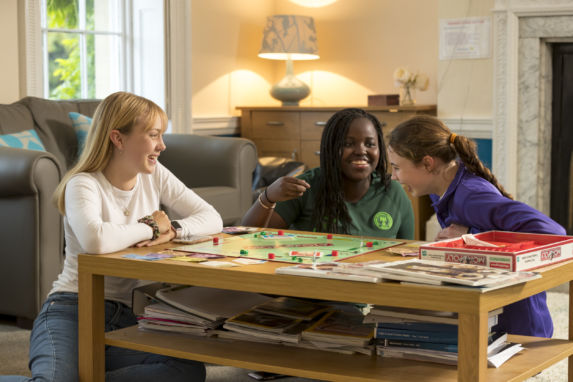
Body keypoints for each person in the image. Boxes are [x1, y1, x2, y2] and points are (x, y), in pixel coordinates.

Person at [1, 92, 222, 382]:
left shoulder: (154, 175)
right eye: (153, 135)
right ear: (118, 139)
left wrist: (174, 228)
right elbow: (97, 241)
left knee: (186, 369)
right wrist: (152, 226)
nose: (162, 145)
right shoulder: (83, 184)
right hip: (72, 311)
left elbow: (212, 217)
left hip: (131, 319)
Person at [387, 114, 565, 337]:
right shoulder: (443, 190)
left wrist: (470, 235)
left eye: (396, 167)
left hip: (518, 328)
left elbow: (554, 232)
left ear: (427, 163)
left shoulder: (471, 196)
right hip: (489, 313)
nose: (393, 176)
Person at [242, 108, 414, 239]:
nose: (361, 151)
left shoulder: (393, 192)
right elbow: (247, 239)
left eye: (370, 144)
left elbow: (406, 255)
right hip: (314, 282)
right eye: (348, 143)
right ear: (330, 148)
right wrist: (267, 197)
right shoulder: (304, 188)